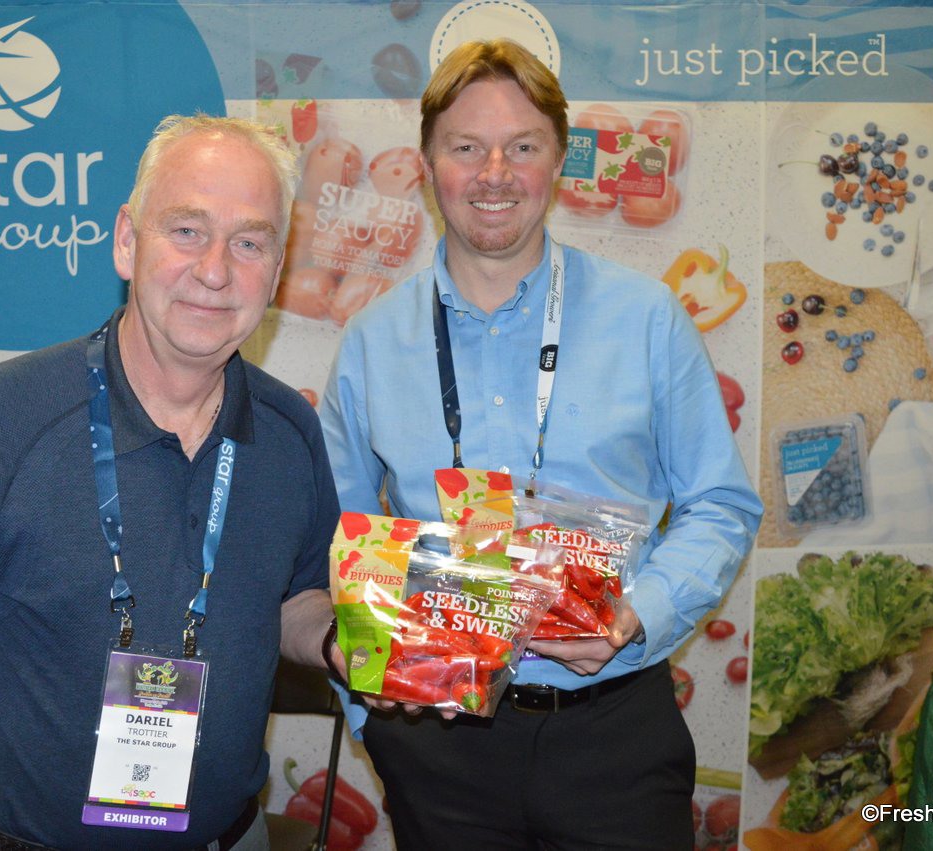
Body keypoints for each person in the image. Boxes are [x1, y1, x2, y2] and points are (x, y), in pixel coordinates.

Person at [320, 39, 763, 850]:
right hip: (437, 741)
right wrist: (371, 712)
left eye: (521, 147)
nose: (494, 174)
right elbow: (338, 527)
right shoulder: (372, 341)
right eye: (466, 147)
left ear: (558, 161)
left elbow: (720, 504)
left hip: (614, 737)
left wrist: (638, 614)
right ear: (428, 163)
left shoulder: (647, 319)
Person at [0, 115, 344, 851]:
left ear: (276, 270)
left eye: (249, 242)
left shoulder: (289, 432)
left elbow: (293, 599)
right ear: (126, 241)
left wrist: (348, 643)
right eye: (187, 230)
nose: (215, 270)